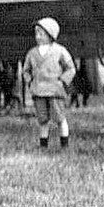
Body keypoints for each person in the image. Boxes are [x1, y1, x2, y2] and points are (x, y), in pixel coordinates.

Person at [22, 17, 76, 149]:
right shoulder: (32, 53)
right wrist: (30, 81)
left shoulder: (60, 51)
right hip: (38, 91)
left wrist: (62, 81)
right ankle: (43, 145)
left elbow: (71, 68)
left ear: (51, 35)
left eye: (41, 33)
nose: (38, 36)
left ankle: (64, 144)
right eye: (36, 33)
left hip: (55, 91)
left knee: (60, 118)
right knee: (42, 119)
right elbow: (26, 70)